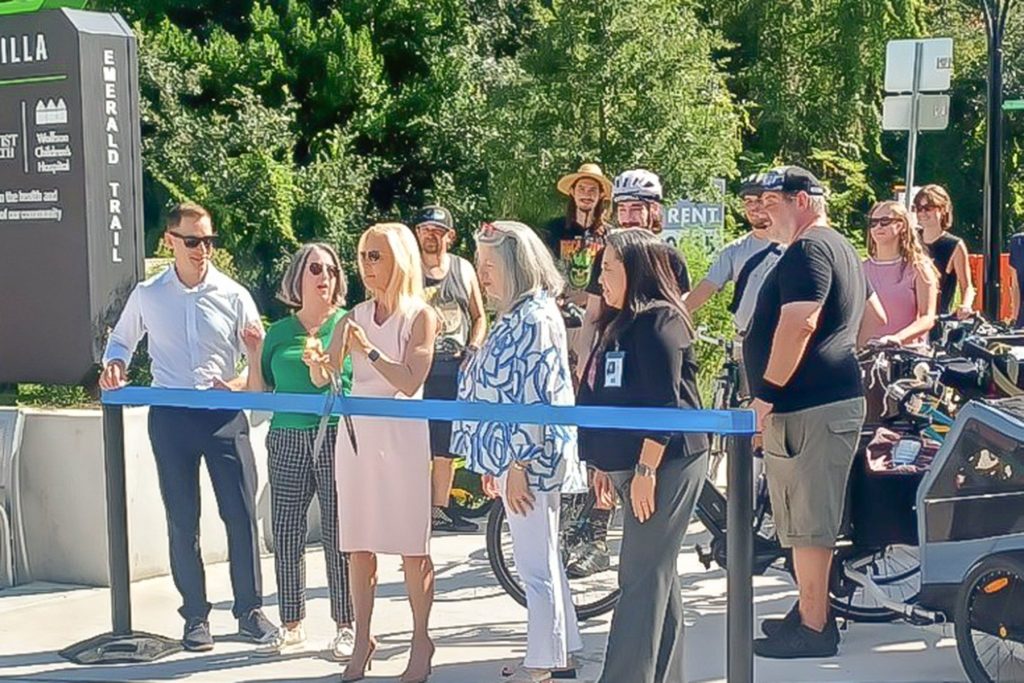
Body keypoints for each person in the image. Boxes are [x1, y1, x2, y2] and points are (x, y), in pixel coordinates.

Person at [98, 203, 277, 651]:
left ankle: (250, 611)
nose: (203, 250)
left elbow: (258, 370)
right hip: (171, 416)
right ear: (170, 241)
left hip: (223, 415)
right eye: (193, 241)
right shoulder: (149, 293)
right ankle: (195, 616)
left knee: (240, 516)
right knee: (182, 520)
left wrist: (236, 380)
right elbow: (121, 339)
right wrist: (115, 364)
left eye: (209, 241)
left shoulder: (234, 295)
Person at [451, 220, 588, 683]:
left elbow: (533, 398)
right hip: (521, 458)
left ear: (514, 266)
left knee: (535, 566)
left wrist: (516, 464)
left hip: (530, 460)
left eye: (489, 266)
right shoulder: (525, 314)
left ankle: (544, 664)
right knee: (543, 559)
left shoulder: (532, 318)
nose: (481, 274)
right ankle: (560, 655)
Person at [742, 167, 868, 659]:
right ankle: (809, 608)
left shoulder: (808, 249)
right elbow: (869, 320)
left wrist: (766, 393)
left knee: (809, 521)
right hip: (821, 400)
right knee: (800, 518)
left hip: (810, 404)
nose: (762, 209)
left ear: (802, 200)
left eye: (771, 200)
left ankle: (815, 627)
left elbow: (800, 322)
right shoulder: (838, 247)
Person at [307, 223, 438, 683]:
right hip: (358, 438)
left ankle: (422, 639)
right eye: (363, 256)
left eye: (376, 256)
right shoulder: (352, 316)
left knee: (411, 546)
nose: (367, 265)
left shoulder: (421, 316)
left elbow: (410, 381)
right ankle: (363, 637)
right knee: (358, 544)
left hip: (402, 437)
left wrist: (373, 354)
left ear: (399, 259)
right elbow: (327, 378)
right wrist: (317, 361)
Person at [578, 229, 709, 683]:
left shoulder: (660, 321)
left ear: (636, 269)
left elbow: (664, 404)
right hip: (627, 464)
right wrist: (599, 461)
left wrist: (645, 468)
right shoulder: (618, 321)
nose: (601, 277)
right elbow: (601, 393)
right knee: (657, 576)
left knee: (638, 576)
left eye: (610, 266)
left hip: (666, 463)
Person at [565, 167, 690, 580]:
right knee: (607, 447)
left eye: (638, 208)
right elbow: (595, 313)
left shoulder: (668, 257)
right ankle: (596, 534)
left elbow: (677, 315)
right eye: (622, 208)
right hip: (613, 357)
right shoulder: (610, 252)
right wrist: (586, 361)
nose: (629, 216)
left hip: (648, 362)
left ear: (655, 212)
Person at [243, 243, 355, 659]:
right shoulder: (280, 332)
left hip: (334, 435)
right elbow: (260, 393)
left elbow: (350, 380)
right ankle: (291, 623)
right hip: (287, 437)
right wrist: (254, 354)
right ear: (298, 278)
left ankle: (346, 625)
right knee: (286, 531)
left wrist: (323, 368)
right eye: (314, 268)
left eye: (330, 269)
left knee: (338, 531)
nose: (324, 275)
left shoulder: (347, 323)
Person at [413, 205, 488, 534]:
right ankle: (413, 508)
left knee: (446, 444)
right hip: (417, 364)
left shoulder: (462, 269)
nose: (431, 236)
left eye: (438, 231)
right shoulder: (408, 270)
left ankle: (439, 508)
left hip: (455, 362)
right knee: (415, 439)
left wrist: (474, 348)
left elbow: (480, 316)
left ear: (450, 236)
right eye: (426, 229)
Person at [685, 173, 783, 392]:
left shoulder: (793, 245)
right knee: (747, 406)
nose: (754, 207)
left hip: (783, 339)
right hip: (746, 341)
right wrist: (679, 311)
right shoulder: (734, 250)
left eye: (760, 200)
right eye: (748, 201)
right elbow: (708, 286)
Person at [543, 163, 615, 373]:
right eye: (582, 189)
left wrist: (590, 297)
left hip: (597, 318)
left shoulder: (610, 235)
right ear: (572, 192)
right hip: (560, 317)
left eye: (593, 190)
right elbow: (542, 270)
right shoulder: (553, 229)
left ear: (601, 195)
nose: (587, 195)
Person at [859, 201, 939, 347]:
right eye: (873, 223)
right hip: (865, 353)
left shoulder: (919, 269)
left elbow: (927, 317)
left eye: (885, 221)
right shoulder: (859, 269)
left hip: (905, 354)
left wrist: (897, 339)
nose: (878, 227)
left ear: (901, 225)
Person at [915, 184, 975, 318]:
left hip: (937, 318)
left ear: (943, 209)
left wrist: (965, 305)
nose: (922, 213)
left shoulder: (954, 245)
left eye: (928, 208)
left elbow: (967, 287)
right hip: (908, 317)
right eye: (919, 208)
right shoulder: (911, 240)